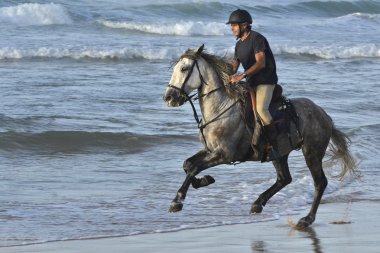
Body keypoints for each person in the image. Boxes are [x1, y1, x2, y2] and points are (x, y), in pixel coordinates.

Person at [227, 9, 280, 160]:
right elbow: (233, 67)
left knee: (261, 110)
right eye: (231, 26)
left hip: (265, 81)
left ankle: (274, 146)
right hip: (251, 82)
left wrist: (242, 76)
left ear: (244, 25)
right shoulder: (238, 45)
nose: (232, 29)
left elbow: (261, 63)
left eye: (234, 25)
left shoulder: (257, 39)